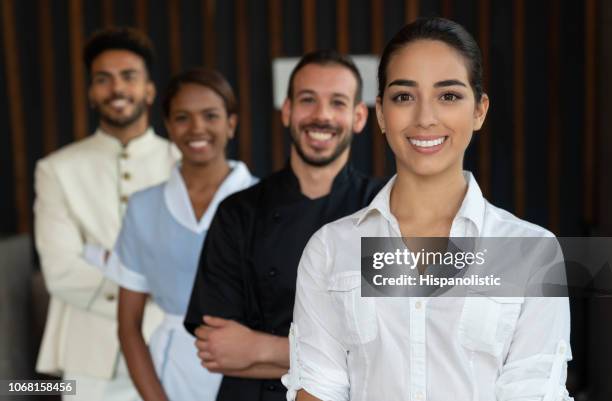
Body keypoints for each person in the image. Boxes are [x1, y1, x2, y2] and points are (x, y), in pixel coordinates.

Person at [285, 18, 573, 401]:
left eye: (448, 96)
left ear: (479, 111)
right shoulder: (330, 249)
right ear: (382, 114)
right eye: (404, 96)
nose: (425, 118)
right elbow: (318, 389)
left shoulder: (532, 252)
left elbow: (533, 391)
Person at [184, 50, 387, 401]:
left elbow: (394, 349)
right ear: (288, 111)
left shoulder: (384, 209)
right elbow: (217, 349)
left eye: (337, 103)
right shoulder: (238, 213)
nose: (321, 115)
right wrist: (345, 360)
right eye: (308, 100)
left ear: (358, 117)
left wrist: (259, 349)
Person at [34, 27, 178, 401]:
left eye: (129, 76)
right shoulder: (56, 169)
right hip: (87, 359)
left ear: (149, 89)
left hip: (171, 349)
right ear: (91, 93)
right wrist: (150, 285)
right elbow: (61, 270)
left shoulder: (181, 164)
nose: (117, 88)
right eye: (103, 79)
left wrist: (102, 261)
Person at [106, 68, 257, 401]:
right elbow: (128, 325)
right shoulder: (143, 207)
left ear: (231, 123)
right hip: (171, 375)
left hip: (254, 373)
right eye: (183, 117)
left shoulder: (264, 202)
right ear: (169, 127)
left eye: (211, 116)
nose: (197, 128)